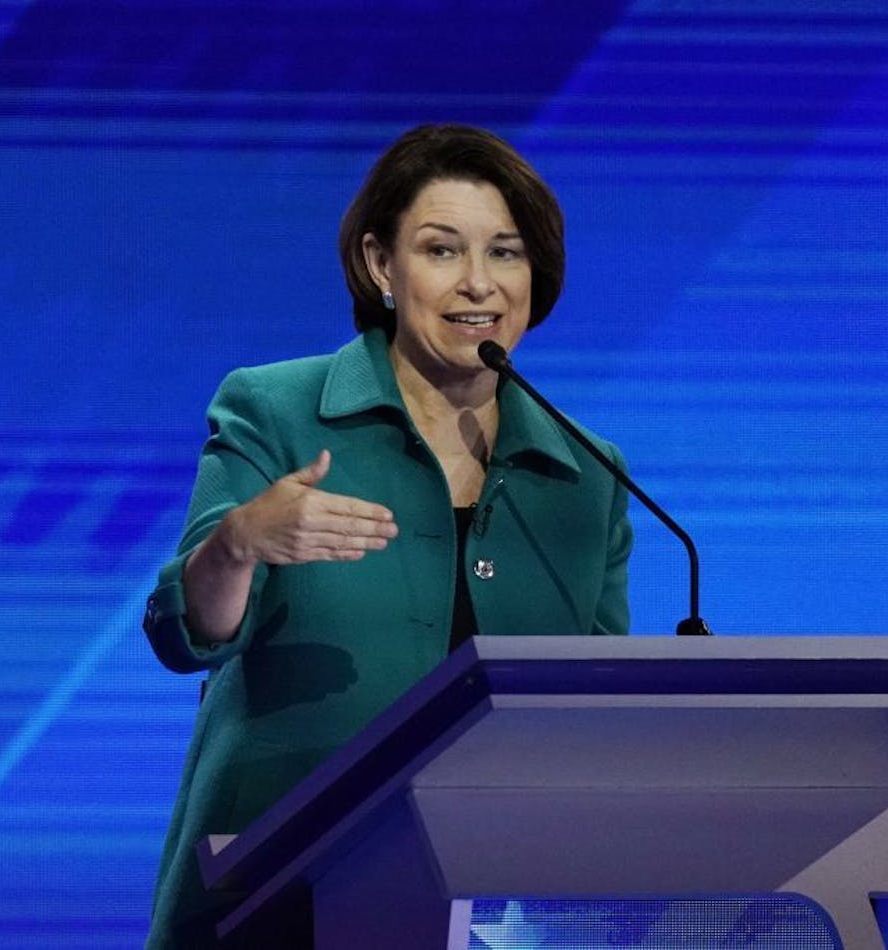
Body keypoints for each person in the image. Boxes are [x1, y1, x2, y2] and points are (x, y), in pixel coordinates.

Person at [141, 124, 633, 948]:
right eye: (442, 251)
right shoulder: (277, 409)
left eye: (506, 253)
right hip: (274, 898)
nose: (480, 283)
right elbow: (187, 637)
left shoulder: (587, 474)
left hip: (492, 912)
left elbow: (591, 708)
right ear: (380, 266)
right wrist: (238, 544)